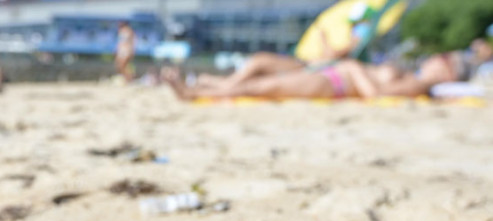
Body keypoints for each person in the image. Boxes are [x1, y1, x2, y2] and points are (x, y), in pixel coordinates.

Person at [195, 2, 379, 92]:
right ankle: (221, 84)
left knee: (262, 72)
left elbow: (335, 55)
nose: (355, 26)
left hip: (316, 69)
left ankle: (219, 85)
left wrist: (325, 40)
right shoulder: (356, 34)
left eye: (358, 22)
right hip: (311, 65)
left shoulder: (359, 35)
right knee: (259, 62)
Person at [162, 52, 470, 101]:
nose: (434, 59)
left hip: (335, 81)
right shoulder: (412, 73)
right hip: (333, 69)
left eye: (443, 60)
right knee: (259, 61)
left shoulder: (421, 83)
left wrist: (353, 68)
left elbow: (376, 95)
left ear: (449, 71)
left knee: (263, 85)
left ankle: (192, 93)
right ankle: (209, 83)